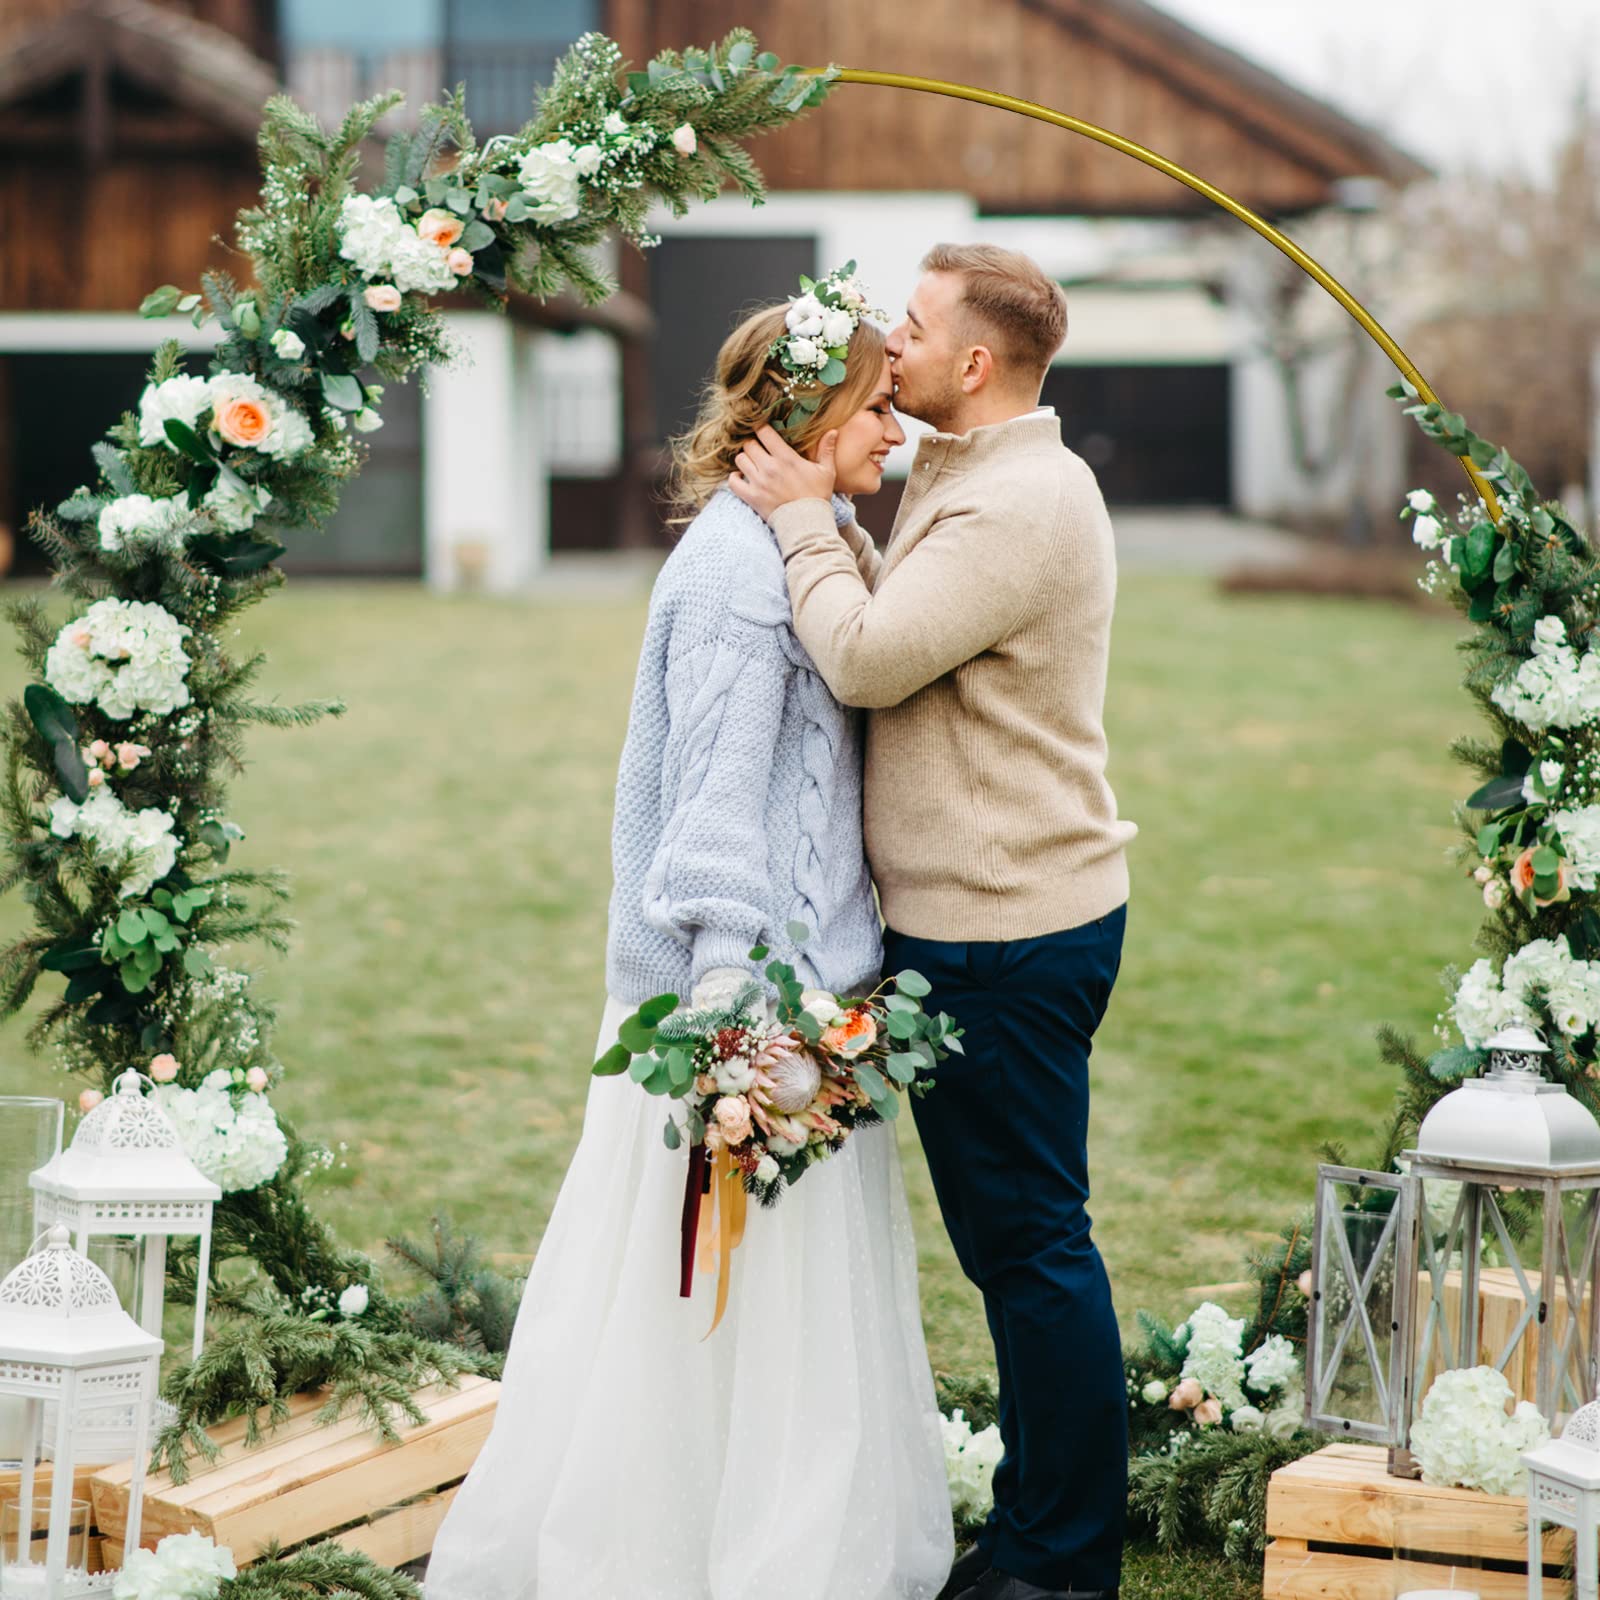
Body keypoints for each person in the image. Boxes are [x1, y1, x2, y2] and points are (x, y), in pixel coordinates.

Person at [423, 271, 954, 1600]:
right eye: (881, 406)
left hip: (810, 999)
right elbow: (714, 808)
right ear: (811, 412)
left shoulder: (799, 543)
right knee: (701, 1316)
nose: (899, 433)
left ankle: (775, 1534)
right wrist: (732, 1019)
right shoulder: (733, 571)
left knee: (785, 1329)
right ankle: (672, 1554)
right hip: (736, 1017)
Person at [730, 242, 1136, 1600]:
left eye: (909, 329)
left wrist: (799, 518)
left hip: (1007, 929)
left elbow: (866, 654)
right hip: (982, 921)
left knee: (1030, 1248)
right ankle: (1039, 1523)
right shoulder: (967, 477)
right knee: (1012, 1245)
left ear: (975, 363)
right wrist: (838, 515)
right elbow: (900, 616)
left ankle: (1058, 1563)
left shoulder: (1019, 503)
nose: (882, 347)